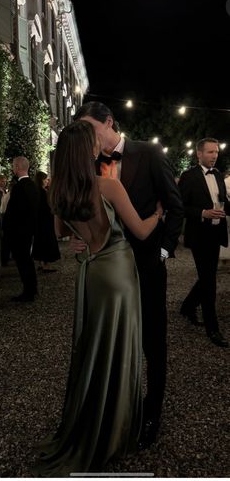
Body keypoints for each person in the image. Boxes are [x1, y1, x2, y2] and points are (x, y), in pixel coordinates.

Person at [33, 121, 163, 475]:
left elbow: (62, 233)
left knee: (93, 348)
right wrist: (157, 214)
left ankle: (89, 419)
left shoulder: (56, 191)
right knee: (120, 347)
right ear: (88, 150)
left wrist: (79, 242)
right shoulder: (108, 186)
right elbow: (140, 229)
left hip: (89, 274)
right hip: (118, 274)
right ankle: (114, 429)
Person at [71, 101, 184, 448]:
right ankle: (117, 406)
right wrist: (82, 241)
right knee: (115, 340)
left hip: (147, 265)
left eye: (93, 128)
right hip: (107, 270)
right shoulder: (87, 163)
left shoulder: (148, 153)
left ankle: (152, 412)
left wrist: (163, 252)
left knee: (153, 339)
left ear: (109, 122)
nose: (90, 137)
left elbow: (174, 206)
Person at [178, 138, 229, 348]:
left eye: (216, 152)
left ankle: (188, 306)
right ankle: (212, 328)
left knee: (208, 276)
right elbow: (180, 206)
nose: (214, 155)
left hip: (216, 232)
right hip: (199, 234)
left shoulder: (217, 175)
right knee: (209, 281)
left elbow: (224, 202)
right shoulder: (188, 176)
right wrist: (202, 213)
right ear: (199, 154)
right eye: (210, 152)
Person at [4, 157, 38, 302]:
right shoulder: (33, 185)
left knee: (22, 261)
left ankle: (28, 292)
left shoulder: (18, 187)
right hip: (29, 230)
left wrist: (6, 227)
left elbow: (13, 212)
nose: (12, 168)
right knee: (28, 260)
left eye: (13, 166)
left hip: (18, 231)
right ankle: (32, 288)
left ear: (17, 167)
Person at [32, 171, 60, 273]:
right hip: (45, 221)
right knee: (46, 242)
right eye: (45, 179)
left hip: (38, 221)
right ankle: (45, 265)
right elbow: (48, 207)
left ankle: (40, 262)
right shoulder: (43, 193)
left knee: (39, 241)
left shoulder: (36, 191)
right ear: (41, 180)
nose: (46, 181)